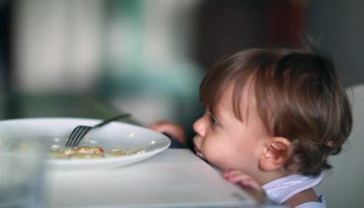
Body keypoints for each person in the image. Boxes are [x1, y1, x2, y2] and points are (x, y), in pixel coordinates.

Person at [149, 43, 352, 207]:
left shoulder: (299, 204)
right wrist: (175, 146)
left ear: (273, 153)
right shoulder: (242, 164)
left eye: (214, 121)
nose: (196, 125)